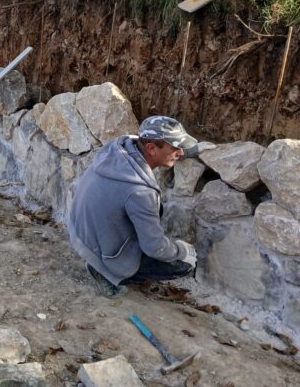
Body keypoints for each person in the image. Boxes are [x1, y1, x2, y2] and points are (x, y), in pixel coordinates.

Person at [66, 116, 215, 297]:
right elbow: (155, 248)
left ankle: (104, 260)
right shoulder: (139, 192)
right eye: (176, 148)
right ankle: (106, 273)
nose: (181, 153)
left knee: (153, 211)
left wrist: (192, 149)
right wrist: (182, 250)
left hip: (79, 232)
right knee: (182, 265)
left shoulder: (120, 147)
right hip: (98, 252)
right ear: (151, 148)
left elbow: (158, 145)